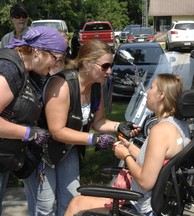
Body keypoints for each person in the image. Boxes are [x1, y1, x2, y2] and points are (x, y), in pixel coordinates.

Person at [24, 39, 140, 215]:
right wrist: (93, 139)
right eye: (105, 66)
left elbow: (98, 121)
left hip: (68, 149)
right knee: (45, 207)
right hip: (43, 152)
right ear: (86, 63)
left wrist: (119, 126)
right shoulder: (62, 84)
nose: (109, 71)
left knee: (71, 200)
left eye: (111, 65)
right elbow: (57, 131)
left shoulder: (96, 87)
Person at [65, 73, 191, 216]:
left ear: (161, 95)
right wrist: (129, 147)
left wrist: (125, 157)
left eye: (151, 88)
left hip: (139, 205)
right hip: (159, 204)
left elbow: (145, 182)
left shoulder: (160, 131)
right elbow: (153, 162)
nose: (147, 92)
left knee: (76, 204)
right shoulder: (180, 127)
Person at [0, 26, 67, 215]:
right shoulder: (9, 68)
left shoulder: (27, 71)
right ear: (38, 51)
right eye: (55, 59)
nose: (54, 66)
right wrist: (29, 133)